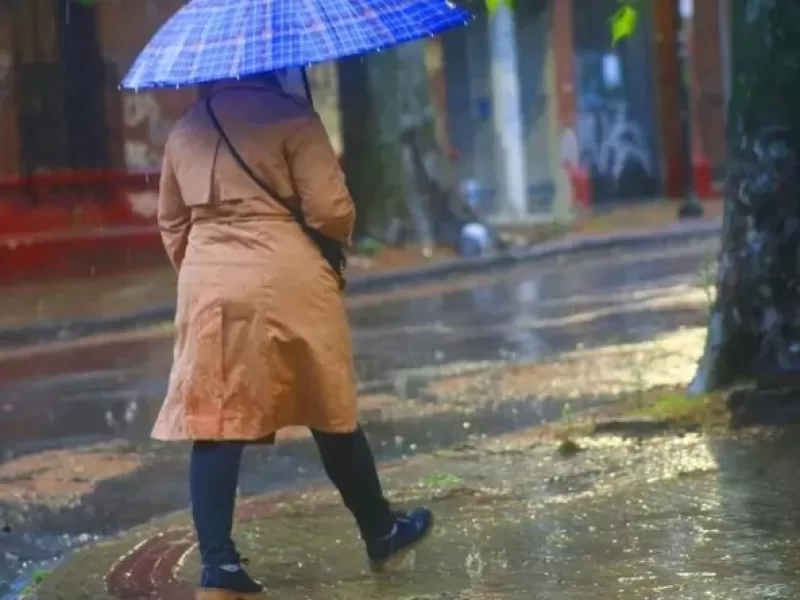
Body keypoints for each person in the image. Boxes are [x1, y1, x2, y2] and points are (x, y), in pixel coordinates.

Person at [154, 70, 435, 600]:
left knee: (216, 420)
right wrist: (335, 239)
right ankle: (380, 531)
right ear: (274, 66)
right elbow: (330, 210)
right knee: (328, 405)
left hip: (208, 282)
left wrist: (206, 271)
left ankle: (219, 567)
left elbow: (171, 222)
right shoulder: (292, 118)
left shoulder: (186, 128)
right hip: (288, 276)